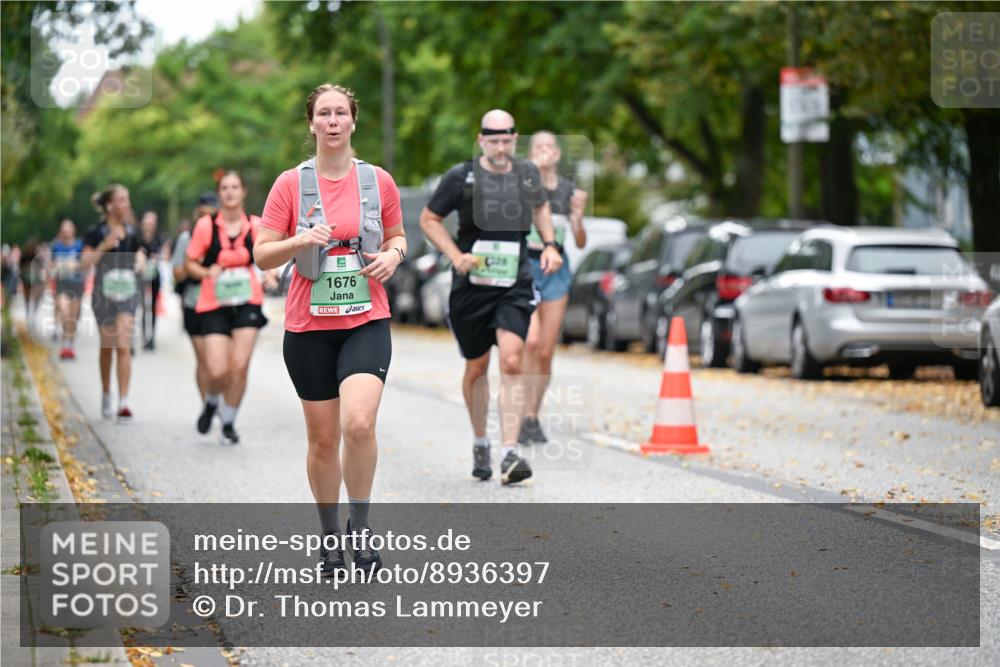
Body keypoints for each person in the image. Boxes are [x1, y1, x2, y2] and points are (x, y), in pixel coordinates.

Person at [255, 83, 405, 576]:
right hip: (308, 326)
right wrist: (300, 240)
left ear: (353, 121)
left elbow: (397, 236)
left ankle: (360, 529)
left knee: (358, 423)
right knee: (322, 440)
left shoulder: (378, 181)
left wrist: (394, 255)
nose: (334, 121)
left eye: (341, 112)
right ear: (312, 123)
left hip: (366, 319)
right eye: (325, 113)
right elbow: (262, 254)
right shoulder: (289, 185)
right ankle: (329, 539)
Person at [418, 110, 563, 485]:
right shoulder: (461, 176)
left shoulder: (526, 174)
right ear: (481, 140)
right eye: (493, 141)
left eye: (506, 141)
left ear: (515, 139)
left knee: (512, 361)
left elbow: (540, 207)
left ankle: (510, 452)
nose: (500, 148)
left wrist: (550, 245)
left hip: (514, 282)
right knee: (477, 366)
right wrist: (455, 256)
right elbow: (429, 219)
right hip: (472, 285)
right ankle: (481, 440)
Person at [185, 173, 267, 445]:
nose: (230, 192)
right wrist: (206, 272)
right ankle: (211, 401)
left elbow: (268, 256)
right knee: (217, 370)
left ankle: (229, 422)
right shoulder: (206, 226)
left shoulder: (256, 225)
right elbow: (190, 263)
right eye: (224, 188)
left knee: (239, 367)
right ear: (219, 193)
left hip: (247, 300)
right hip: (214, 302)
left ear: (243, 192)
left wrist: (271, 274)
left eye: (235, 187)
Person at [520, 131, 588, 444]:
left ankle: (532, 416)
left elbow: (580, 241)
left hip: (556, 270)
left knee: (546, 350)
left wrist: (578, 219)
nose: (545, 152)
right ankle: (521, 412)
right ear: (530, 154)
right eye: (538, 147)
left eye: (550, 147)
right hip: (526, 267)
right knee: (530, 342)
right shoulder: (521, 186)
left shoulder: (568, 191)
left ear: (558, 154)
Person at [81, 184, 145, 421]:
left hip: (128, 292)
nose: (127, 204)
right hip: (103, 294)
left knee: (123, 345)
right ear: (109, 205)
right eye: (122, 200)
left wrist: (141, 260)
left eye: (127, 199)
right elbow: (85, 263)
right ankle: (107, 393)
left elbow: (140, 252)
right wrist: (103, 246)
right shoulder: (95, 232)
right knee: (107, 346)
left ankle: (124, 401)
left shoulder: (133, 232)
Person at [172, 202, 213, 406]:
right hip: (193, 303)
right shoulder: (186, 238)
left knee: (220, 362)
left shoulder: (224, 235)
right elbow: (177, 273)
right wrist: (195, 264)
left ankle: (219, 401)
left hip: (220, 304)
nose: (205, 220)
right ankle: (207, 406)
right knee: (204, 360)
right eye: (202, 215)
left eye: (210, 216)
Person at [50, 220, 86, 360]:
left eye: (68, 230)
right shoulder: (56, 246)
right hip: (62, 284)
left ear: (73, 231)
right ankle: (65, 344)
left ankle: (70, 345)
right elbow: (51, 264)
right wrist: (56, 267)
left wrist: (76, 265)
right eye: (63, 231)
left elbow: (85, 263)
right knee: (64, 312)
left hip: (77, 284)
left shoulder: (79, 245)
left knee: (73, 317)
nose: (66, 233)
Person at [138, 210, 166, 351]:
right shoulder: (137, 238)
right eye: (147, 222)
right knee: (142, 306)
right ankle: (144, 336)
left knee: (153, 306)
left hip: (154, 275)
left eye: (152, 223)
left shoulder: (159, 238)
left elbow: (163, 254)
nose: (150, 225)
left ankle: (152, 337)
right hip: (141, 275)